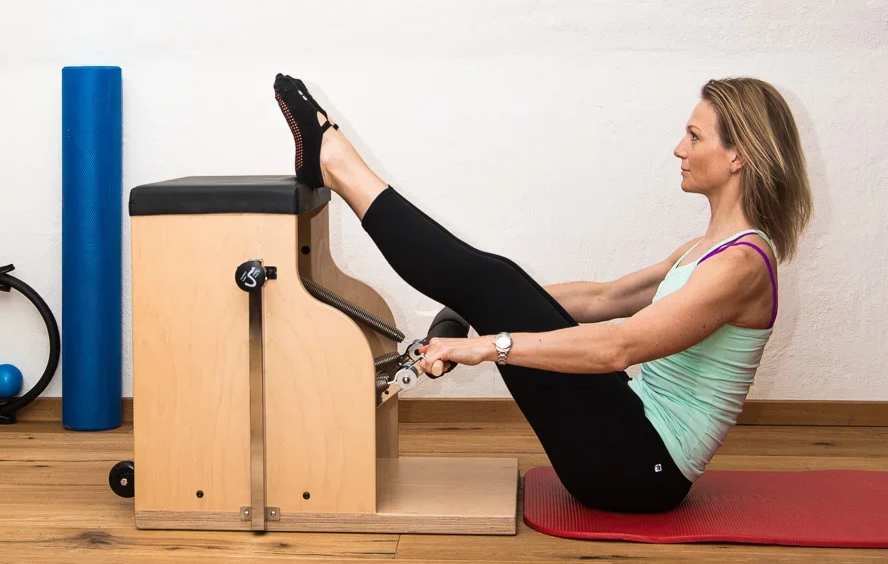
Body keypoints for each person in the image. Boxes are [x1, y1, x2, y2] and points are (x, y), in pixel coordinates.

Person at [273, 74, 813, 514]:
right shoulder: (708, 247)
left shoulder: (742, 264)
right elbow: (606, 298)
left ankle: (338, 164)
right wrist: (482, 307)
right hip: (628, 440)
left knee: (494, 280)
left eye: (694, 137)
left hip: (640, 473)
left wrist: (488, 344)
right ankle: (340, 166)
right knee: (497, 278)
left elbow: (618, 347)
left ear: (738, 155)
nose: (679, 148)